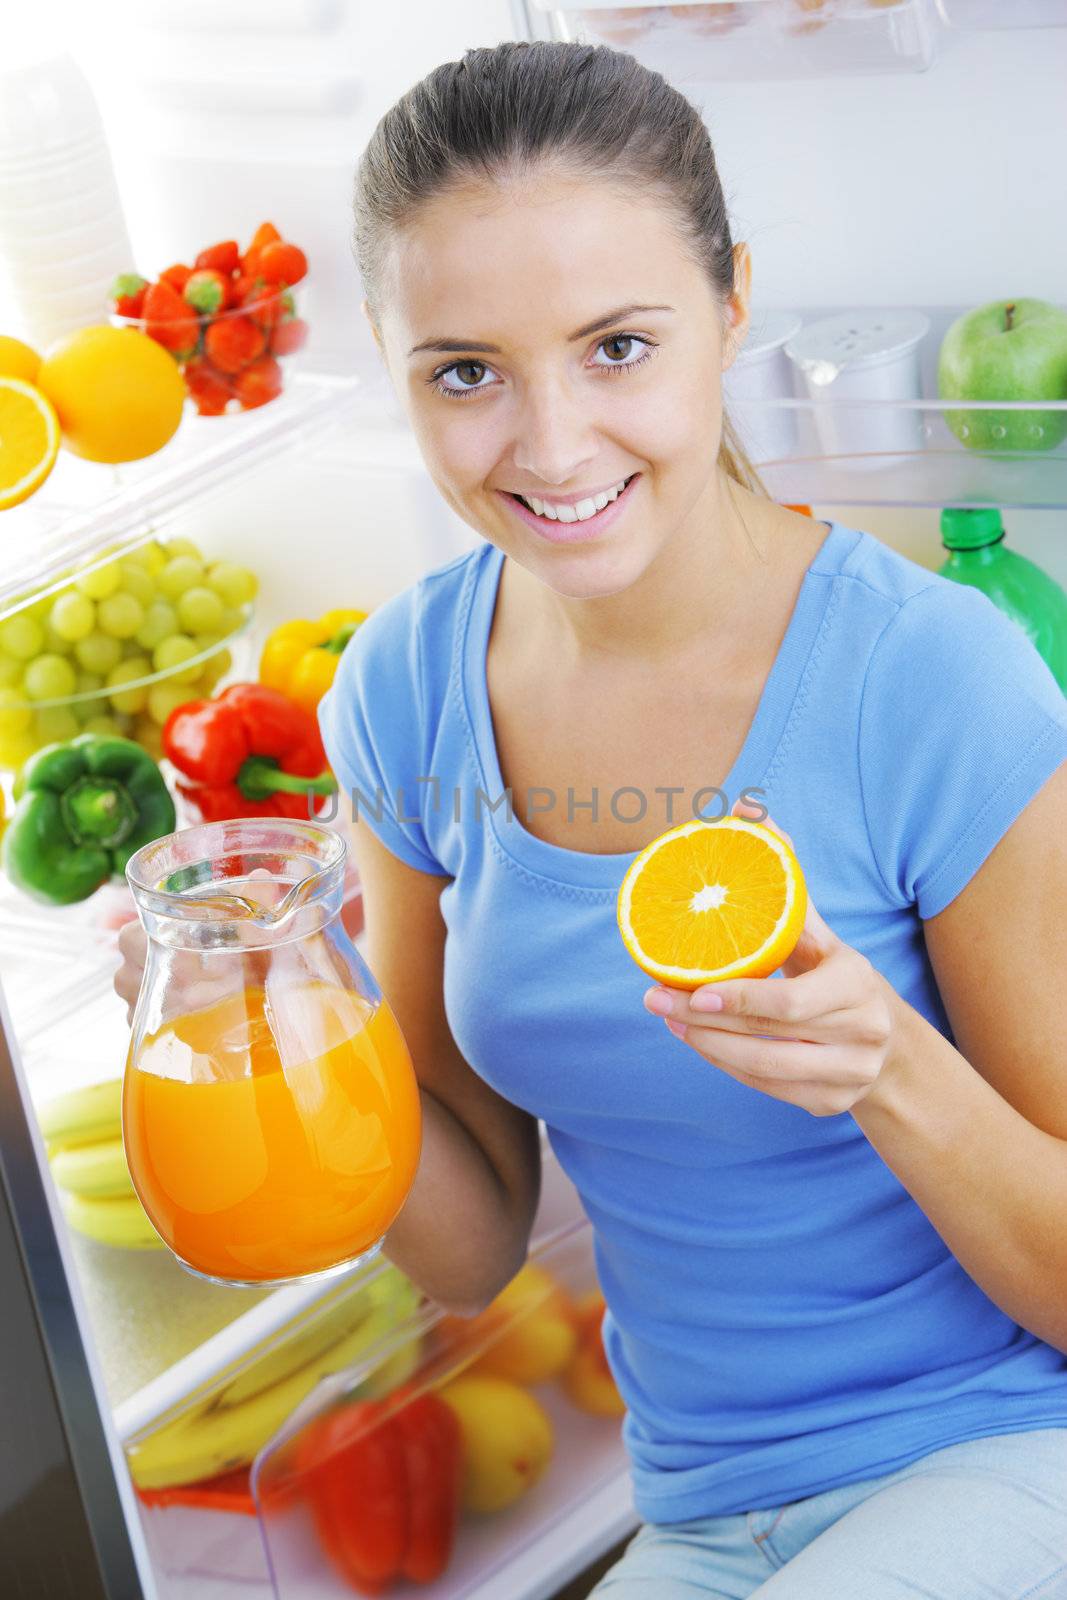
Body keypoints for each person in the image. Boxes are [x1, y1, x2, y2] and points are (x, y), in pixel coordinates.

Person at [116, 39, 1067, 1599]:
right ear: (391, 355)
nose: (551, 448)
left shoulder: (934, 681)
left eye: (618, 346)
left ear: (731, 303)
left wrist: (889, 1067)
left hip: (1003, 1450)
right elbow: (472, 1235)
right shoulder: (407, 688)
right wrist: (284, 1005)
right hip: (698, 1506)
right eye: (468, 372)